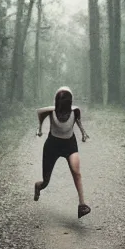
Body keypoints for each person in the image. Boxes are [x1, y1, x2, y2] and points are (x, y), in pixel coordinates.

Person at [34, 86, 91, 218]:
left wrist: (83, 133)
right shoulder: (50, 111)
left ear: (70, 102)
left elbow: (78, 122)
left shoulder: (75, 111)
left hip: (69, 144)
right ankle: (39, 186)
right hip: (52, 146)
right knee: (46, 182)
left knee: (76, 172)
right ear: (56, 102)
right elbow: (40, 114)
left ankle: (82, 205)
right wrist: (40, 128)